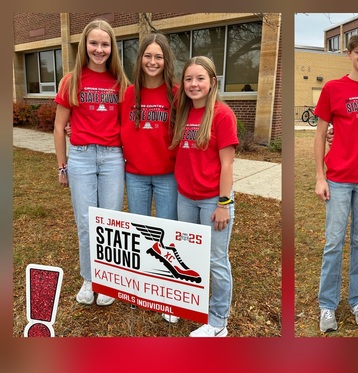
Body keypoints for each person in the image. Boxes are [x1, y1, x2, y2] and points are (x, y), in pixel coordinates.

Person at [54, 19, 128, 306]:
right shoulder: (71, 81)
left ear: (112, 48)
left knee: (110, 222)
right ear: (84, 45)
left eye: (105, 44)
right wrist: (62, 166)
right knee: (86, 222)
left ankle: (107, 280)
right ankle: (89, 277)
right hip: (81, 158)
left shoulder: (120, 82)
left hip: (112, 158)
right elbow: (59, 127)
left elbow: (127, 125)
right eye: (94, 43)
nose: (99, 49)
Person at [314, 33, 358, 334]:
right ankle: (327, 304)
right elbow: (320, 134)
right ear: (349, 54)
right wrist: (320, 176)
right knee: (334, 242)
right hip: (338, 179)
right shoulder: (333, 88)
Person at [171, 56, 238, 338]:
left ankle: (218, 321)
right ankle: (189, 304)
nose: (194, 84)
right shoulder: (183, 112)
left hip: (213, 199)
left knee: (216, 260)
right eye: (189, 79)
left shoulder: (222, 115)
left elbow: (227, 164)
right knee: (187, 255)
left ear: (212, 82)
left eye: (200, 78)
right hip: (186, 197)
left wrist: (224, 204)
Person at [120, 32, 181, 326]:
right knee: (141, 234)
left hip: (168, 175)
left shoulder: (177, 93)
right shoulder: (129, 94)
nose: (153, 61)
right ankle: (142, 287)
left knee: (166, 234)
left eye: (158, 56)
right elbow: (116, 127)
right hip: (136, 175)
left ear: (166, 60)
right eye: (148, 56)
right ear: (140, 59)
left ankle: (168, 293)